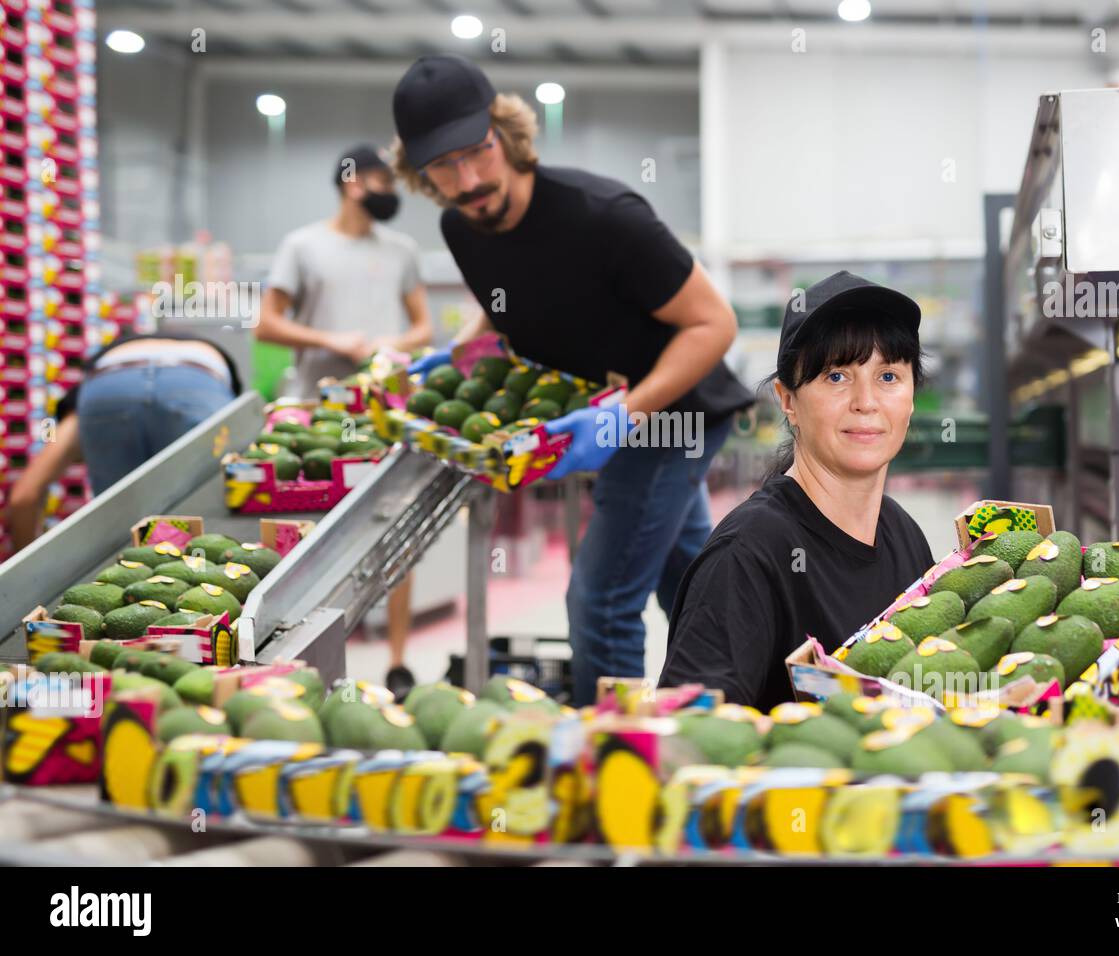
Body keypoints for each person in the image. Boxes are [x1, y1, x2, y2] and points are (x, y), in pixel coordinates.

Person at [390, 55, 754, 705]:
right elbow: (506, 301)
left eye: (478, 152)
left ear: (504, 132)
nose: (468, 181)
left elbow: (713, 325)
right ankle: (724, 709)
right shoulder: (460, 225)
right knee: (686, 581)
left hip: (674, 412)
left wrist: (627, 416)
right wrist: (464, 353)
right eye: (443, 168)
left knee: (601, 598)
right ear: (420, 175)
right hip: (609, 409)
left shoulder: (604, 218)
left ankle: (609, 762)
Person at [658, 272, 935, 711]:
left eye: (887, 376)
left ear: (911, 396)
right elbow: (690, 734)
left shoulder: (904, 535)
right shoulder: (746, 557)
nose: (866, 401)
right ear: (788, 401)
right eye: (837, 377)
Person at [254, 143, 433, 699]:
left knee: (397, 534)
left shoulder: (401, 250)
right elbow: (266, 324)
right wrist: (332, 340)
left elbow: (422, 327)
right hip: (317, 419)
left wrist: (385, 346)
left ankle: (398, 664)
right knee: (316, 545)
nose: (390, 193)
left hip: (381, 414)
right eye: (382, 181)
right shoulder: (303, 246)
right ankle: (320, 663)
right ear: (352, 183)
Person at [2, 332, 240, 550]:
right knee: (212, 522)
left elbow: (24, 496)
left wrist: (29, 584)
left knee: (121, 537)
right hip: (200, 372)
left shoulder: (77, 412)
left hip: (109, 382)